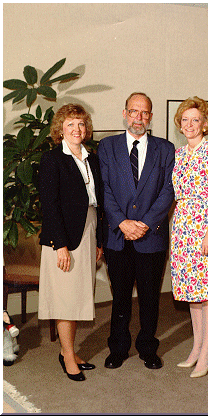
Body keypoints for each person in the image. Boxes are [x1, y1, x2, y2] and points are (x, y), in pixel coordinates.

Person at [98, 92, 175, 370]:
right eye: (133, 112)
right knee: (119, 297)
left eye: (144, 113)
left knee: (150, 297)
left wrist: (144, 223)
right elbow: (103, 188)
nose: (138, 118)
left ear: (150, 117)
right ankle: (117, 348)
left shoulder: (165, 149)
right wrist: (122, 222)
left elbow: (168, 190)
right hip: (117, 236)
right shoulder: (106, 147)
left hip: (151, 236)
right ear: (124, 113)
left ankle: (147, 348)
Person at [38, 104, 103, 382]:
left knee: (76, 296)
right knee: (65, 298)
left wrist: (98, 240)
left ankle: (70, 350)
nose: (77, 129)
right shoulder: (52, 159)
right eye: (70, 124)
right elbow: (49, 205)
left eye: (80, 124)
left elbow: (97, 203)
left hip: (88, 229)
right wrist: (60, 245)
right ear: (60, 130)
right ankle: (67, 357)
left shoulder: (93, 158)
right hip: (63, 235)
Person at [170, 96, 208, 378]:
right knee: (192, 293)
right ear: (179, 124)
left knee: (207, 292)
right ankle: (196, 349)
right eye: (185, 120)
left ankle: (207, 353)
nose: (190, 125)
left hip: (207, 227)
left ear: (206, 124)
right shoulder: (179, 155)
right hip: (182, 228)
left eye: (196, 120)